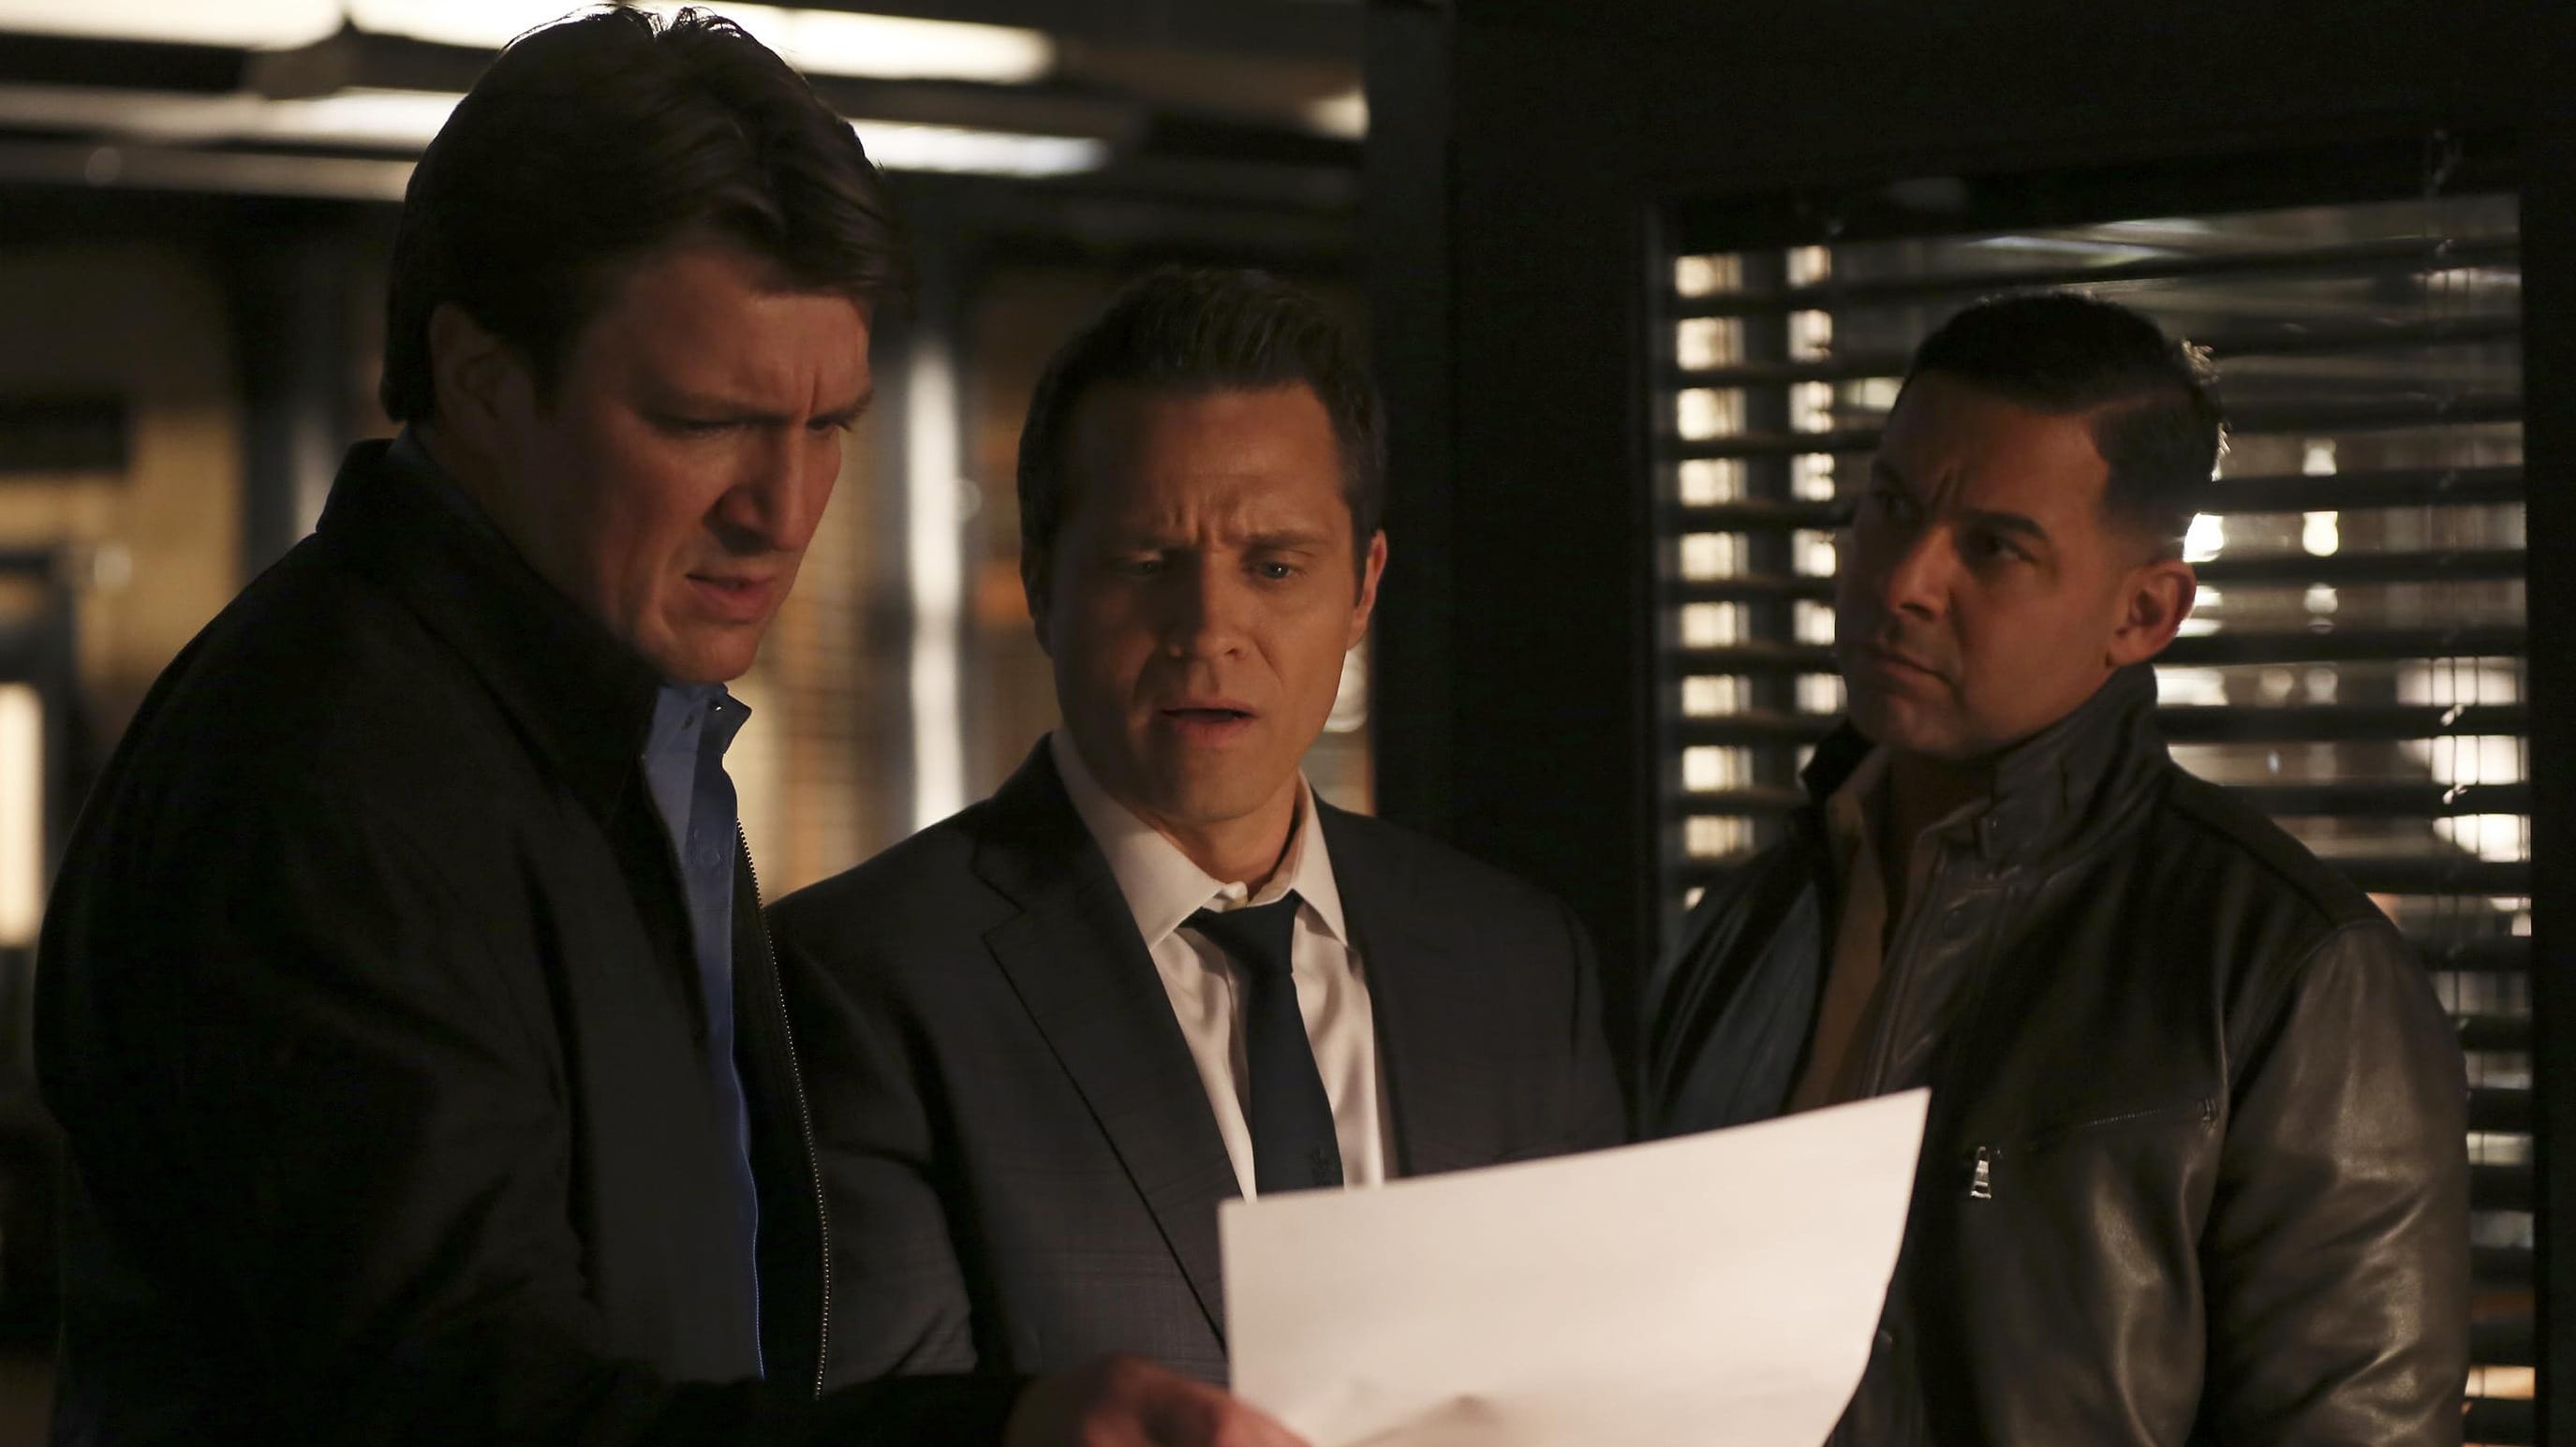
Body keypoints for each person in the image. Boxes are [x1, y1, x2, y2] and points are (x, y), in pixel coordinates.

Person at [35, 12, 1299, 1446]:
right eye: (705, 422)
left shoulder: (594, 716)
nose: (784, 510)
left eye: (827, 427)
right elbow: (467, 1411)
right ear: (483, 380)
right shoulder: (332, 777)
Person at [766, 267, 1626, 1386]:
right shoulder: (860, 984)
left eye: (1274, 567)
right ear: (1042, 582)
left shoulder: (1515, 965)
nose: (1209, 629)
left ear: (1362, 588)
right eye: (1145, 564)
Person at [1643, 293, 2469, 1444]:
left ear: (2143, 612)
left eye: (1993, 546)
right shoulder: (1747, 923)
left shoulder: (2283, 966)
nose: (1902, 580)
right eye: (1889, 506)